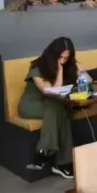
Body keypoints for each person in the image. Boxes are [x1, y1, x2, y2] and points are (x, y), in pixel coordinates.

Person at [18, 37, 78, 178]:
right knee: (59, 109)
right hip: (31, 105)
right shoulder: (37, 68)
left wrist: (75, 65)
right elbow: (52, 92)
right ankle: (62, 163)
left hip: (51, 106)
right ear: (52, 55)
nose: (63, 61)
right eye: (60, 57)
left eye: (66, 58)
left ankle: (42, 153)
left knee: (60, 110)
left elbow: (88, 80)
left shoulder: (68, 65)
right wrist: (60, 69)